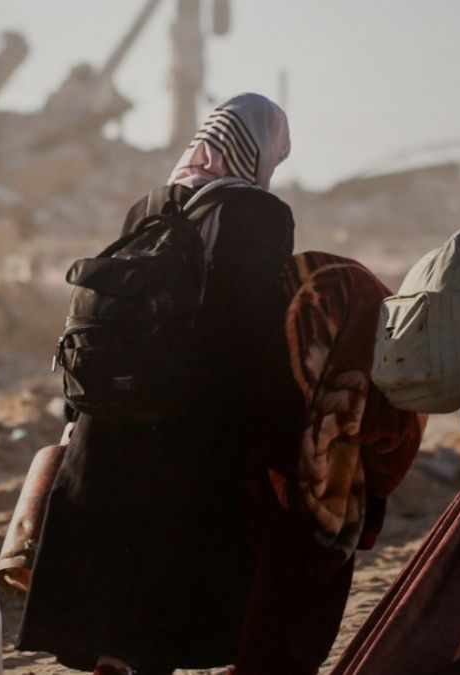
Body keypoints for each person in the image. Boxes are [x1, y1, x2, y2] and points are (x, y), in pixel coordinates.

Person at [16, 93, 303, 675]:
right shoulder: (260, 213)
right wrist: (285, 421)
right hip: (193, 416)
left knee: (122, 567)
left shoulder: (150, 203)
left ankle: (113, 660)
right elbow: (255, 327)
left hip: (112, 410)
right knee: (175, 574)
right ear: (261, 149)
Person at [234, 253, 424, 675]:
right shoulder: (349, 312)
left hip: (313, 453)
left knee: (296, 563)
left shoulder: (333, 314)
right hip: (311, 452)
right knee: (302, 567)